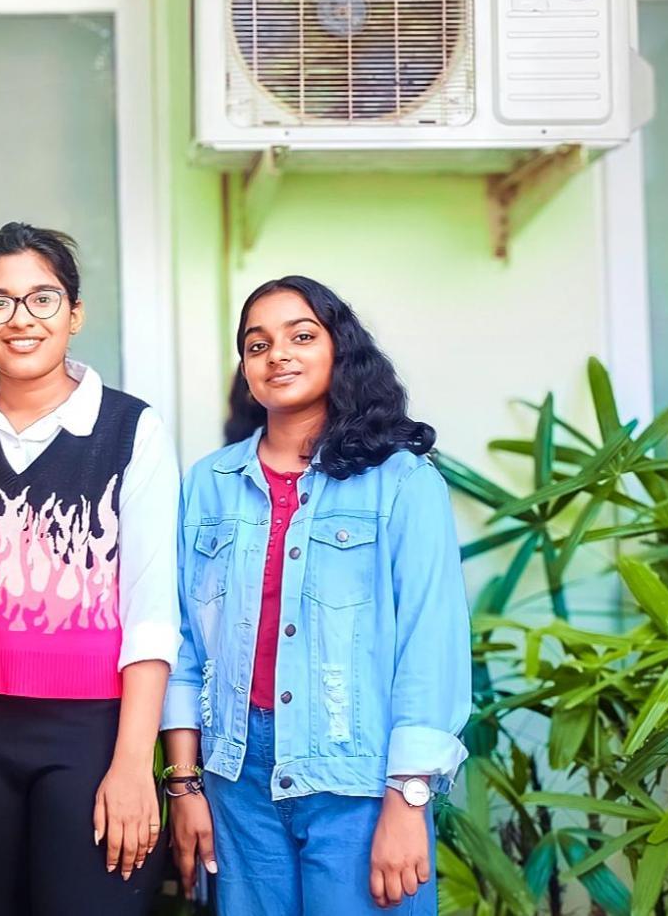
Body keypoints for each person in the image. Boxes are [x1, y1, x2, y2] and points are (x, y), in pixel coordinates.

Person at [162, 275, 471, 915]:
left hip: (359, 779)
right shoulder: (208, 484)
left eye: (301, 336)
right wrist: (185, 783)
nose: (278, 355)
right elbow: (186, 642)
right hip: (236, 777)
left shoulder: (403, 482)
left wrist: (409, 798)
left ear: (339, 350)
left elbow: (429, 642)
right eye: (257, 344)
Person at [0, 222, 181, 916]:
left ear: (74, 312)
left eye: (42, 298)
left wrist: (131, 764)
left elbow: (153, 614)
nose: (21, 318)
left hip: (90, 733)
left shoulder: (133, 430)